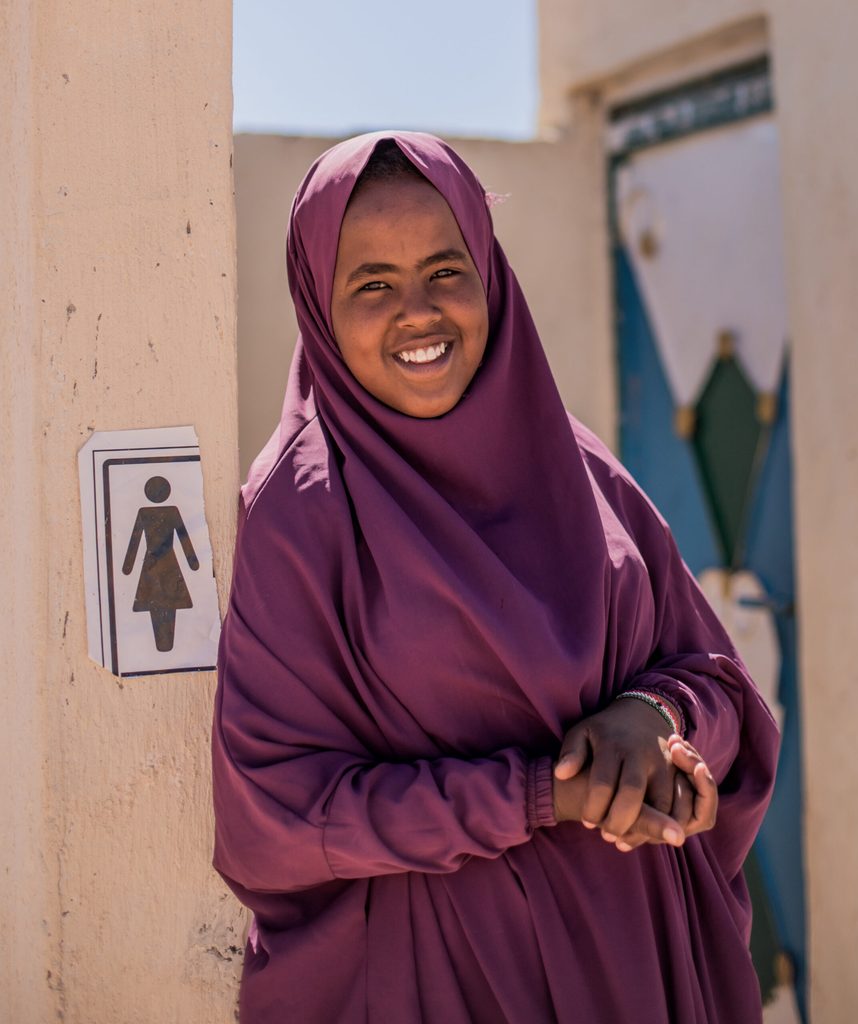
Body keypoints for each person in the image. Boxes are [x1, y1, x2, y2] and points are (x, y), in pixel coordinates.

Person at [211, 131, 779, 1024]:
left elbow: (720, 685)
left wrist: (653, 725)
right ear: (317, 300)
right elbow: (276, 816)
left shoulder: (577, 462)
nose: (420, 313)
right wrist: (541, 794)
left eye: (446, 270)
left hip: (635, 966)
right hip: (443, 979)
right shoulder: (303, 508)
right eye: (371, 285)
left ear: (489, 272)